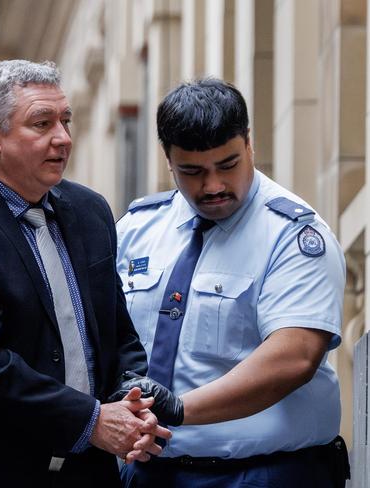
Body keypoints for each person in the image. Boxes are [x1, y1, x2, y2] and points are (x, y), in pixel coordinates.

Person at [0, 59, 171, 488]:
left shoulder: (90, 211)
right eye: (42, 124)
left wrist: (133, 398)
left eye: (66, 120)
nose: (62, 138)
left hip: (85, 473)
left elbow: (117, 334)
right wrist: (93, 421)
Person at [116, 78, 349, 488]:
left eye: (228, 164)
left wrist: (179, 408)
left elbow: (294, 357)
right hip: (150, 474)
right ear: (169, 161)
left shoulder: (292, 235)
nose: (213, 186)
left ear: (249, 145)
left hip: (267, 473)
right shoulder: (136, 230)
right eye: (192, 171)